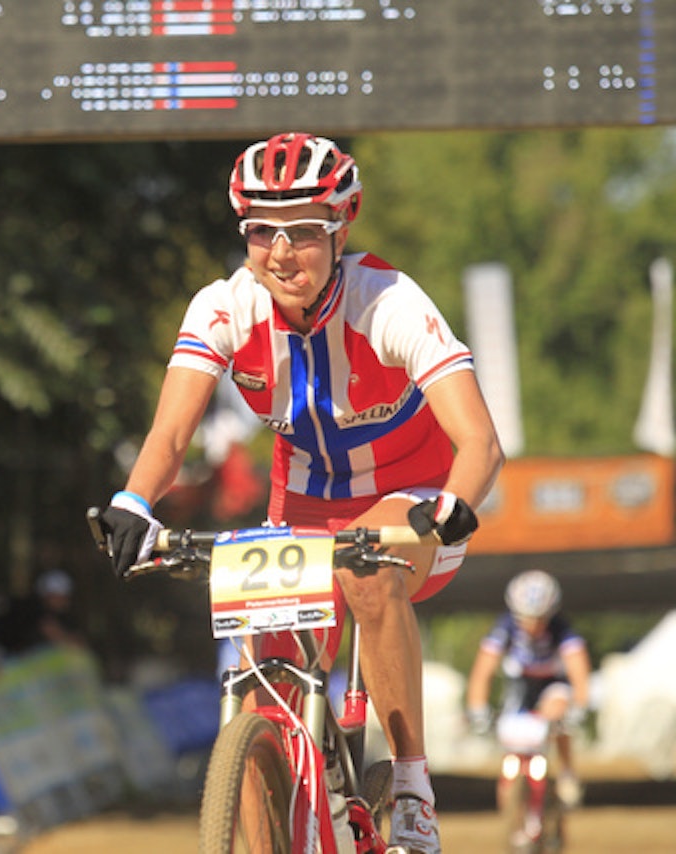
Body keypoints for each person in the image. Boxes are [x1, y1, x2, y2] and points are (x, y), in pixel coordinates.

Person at [95, 132, 505, 854]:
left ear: (341, 226)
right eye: (262, 231)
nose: (281, 254)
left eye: (305, 232)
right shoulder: (225, 308)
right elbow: (169, 437)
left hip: (411, 502)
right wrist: (134, 503)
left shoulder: (389, 302)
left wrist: (453, 505)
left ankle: (412, 789)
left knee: (365, 572)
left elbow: (480, 441)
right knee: (259, 692)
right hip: (303, 508)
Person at [465, 569, 592, 808]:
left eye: (540, 619)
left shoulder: (562, 630)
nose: (532, 625)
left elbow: (579, 671)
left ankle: (566, 772)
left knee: (558, 715)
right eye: (525, 618)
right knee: (510, 730)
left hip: (553, 684)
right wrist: (477, 709)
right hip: (521, 686)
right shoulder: (504, 628)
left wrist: (580, 705)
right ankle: (512, 795)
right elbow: (482, 672)